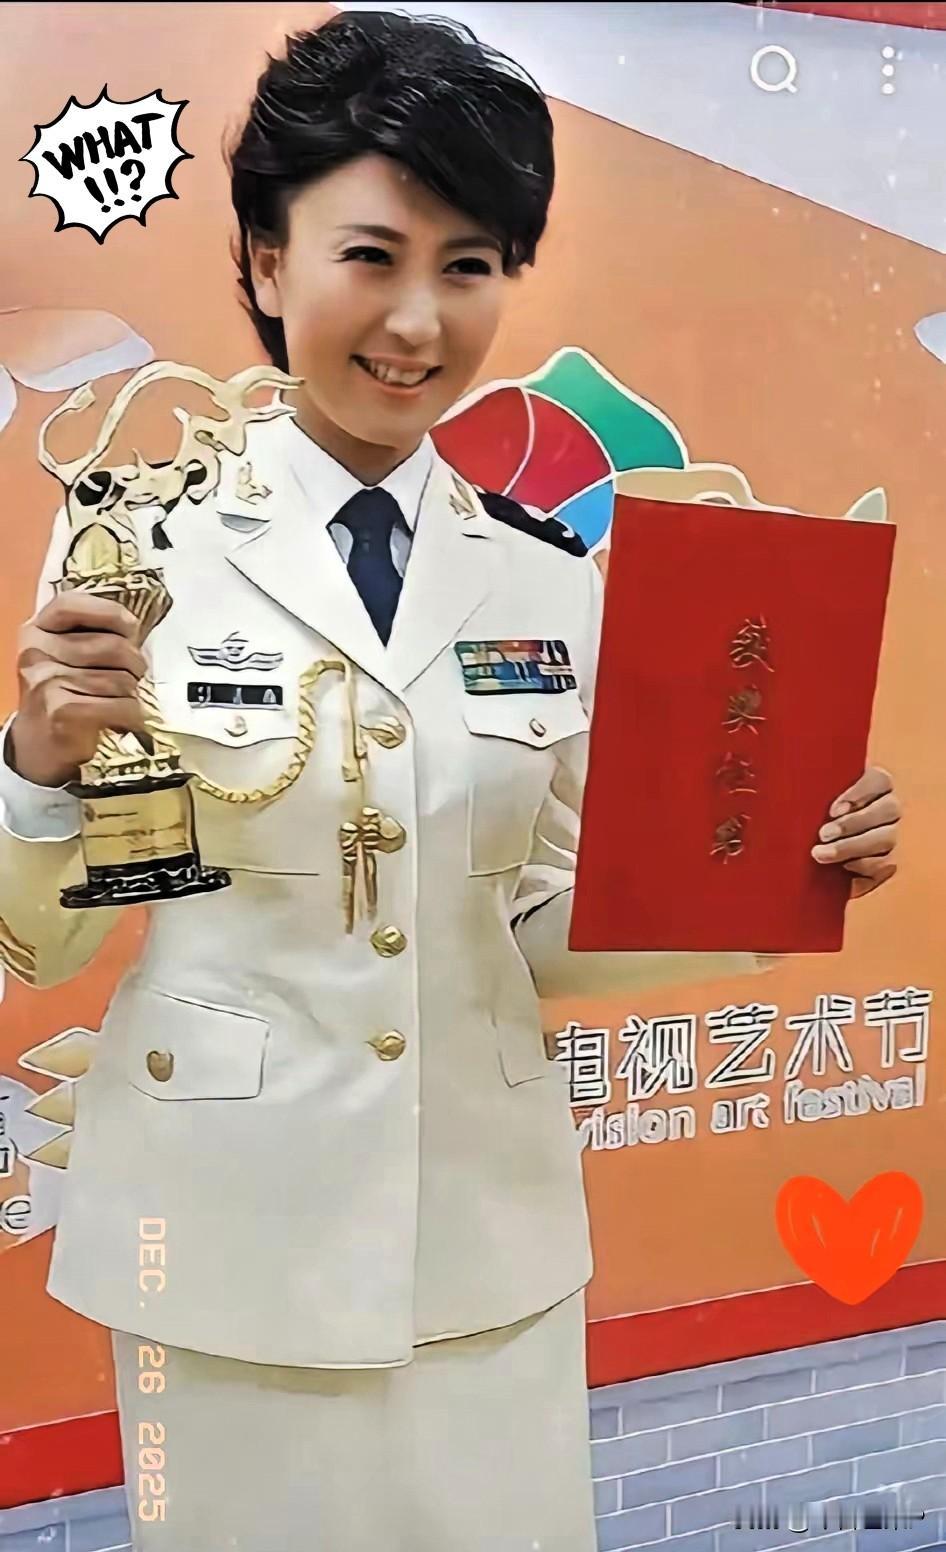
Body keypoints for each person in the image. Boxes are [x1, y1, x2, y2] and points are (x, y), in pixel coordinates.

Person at [0, 11, 901, 1550]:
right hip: (221, 1238)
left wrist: (767, 877)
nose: (417, 320)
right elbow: (54, 937)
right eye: (370, 256)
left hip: (485, 1242)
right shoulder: (136, 545)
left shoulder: (544, 577)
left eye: (467, 266)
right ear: (267, 263)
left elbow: (530, 929)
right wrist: (35, 774)